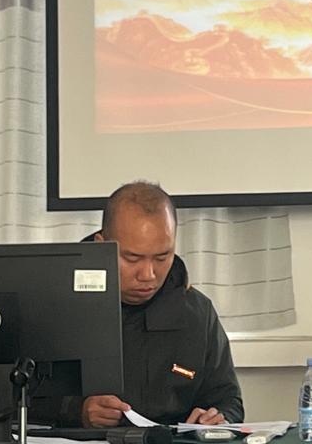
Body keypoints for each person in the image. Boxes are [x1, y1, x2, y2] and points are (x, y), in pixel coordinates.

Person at [39, 181, 244, 427]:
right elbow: (10, 400)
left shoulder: (197, 312)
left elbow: (228, 400)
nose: (148, 275)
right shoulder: (54, 306)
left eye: (162, 257)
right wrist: (76, 411)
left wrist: (216, 418)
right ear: (101, 244)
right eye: (132, 258)